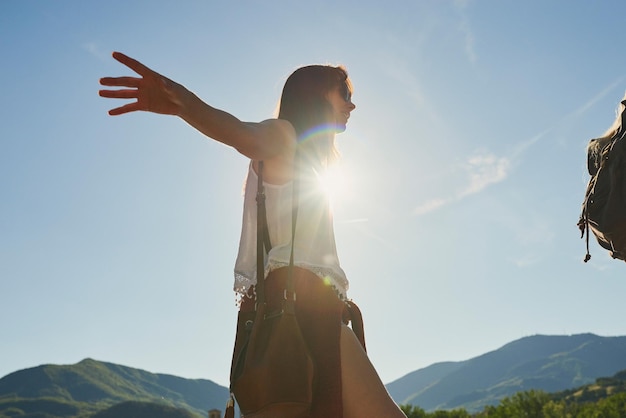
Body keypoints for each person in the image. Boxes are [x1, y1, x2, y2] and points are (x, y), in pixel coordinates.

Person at [99, 51, 407, 418]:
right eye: (344, 93)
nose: (352, 105)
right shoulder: (283, 135)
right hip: (304, 310)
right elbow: (239, 133)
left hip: (294, 313)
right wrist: (181, 102)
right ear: (316, 95)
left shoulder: (308, 159)